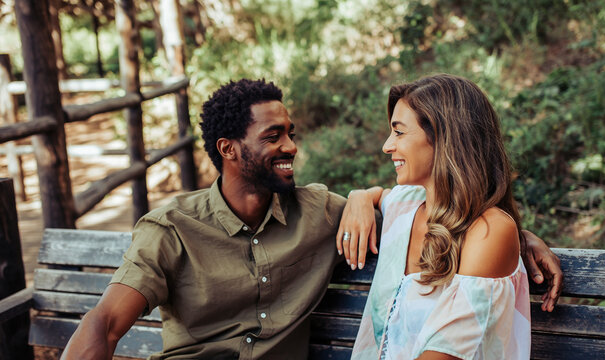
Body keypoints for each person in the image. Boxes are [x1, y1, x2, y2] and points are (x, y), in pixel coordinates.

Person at [61, 78, 561, 360]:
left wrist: (517, 236)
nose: (292, 147)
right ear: (228, 150)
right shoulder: (171, 229)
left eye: (290, 132)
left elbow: (463, 216)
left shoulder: (319, 210)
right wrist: (368, 196)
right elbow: (104, 326)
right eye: (274, 136)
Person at [342, 74, 540, 359]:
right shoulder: (405, 204)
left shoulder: (489, 230)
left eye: (398, 132)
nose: (387, 146)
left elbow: (445, 352)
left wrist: (521, 238)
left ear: (443, 137)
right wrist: (360, 197)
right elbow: (383, 197)